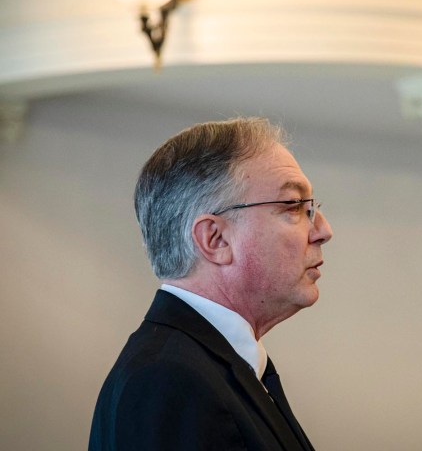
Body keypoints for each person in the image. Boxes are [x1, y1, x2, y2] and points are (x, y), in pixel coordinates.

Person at [89, 117, 333, 451]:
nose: (322, 230)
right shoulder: (169, 381)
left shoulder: (206, 364)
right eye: (293, 205)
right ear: (215, 239)